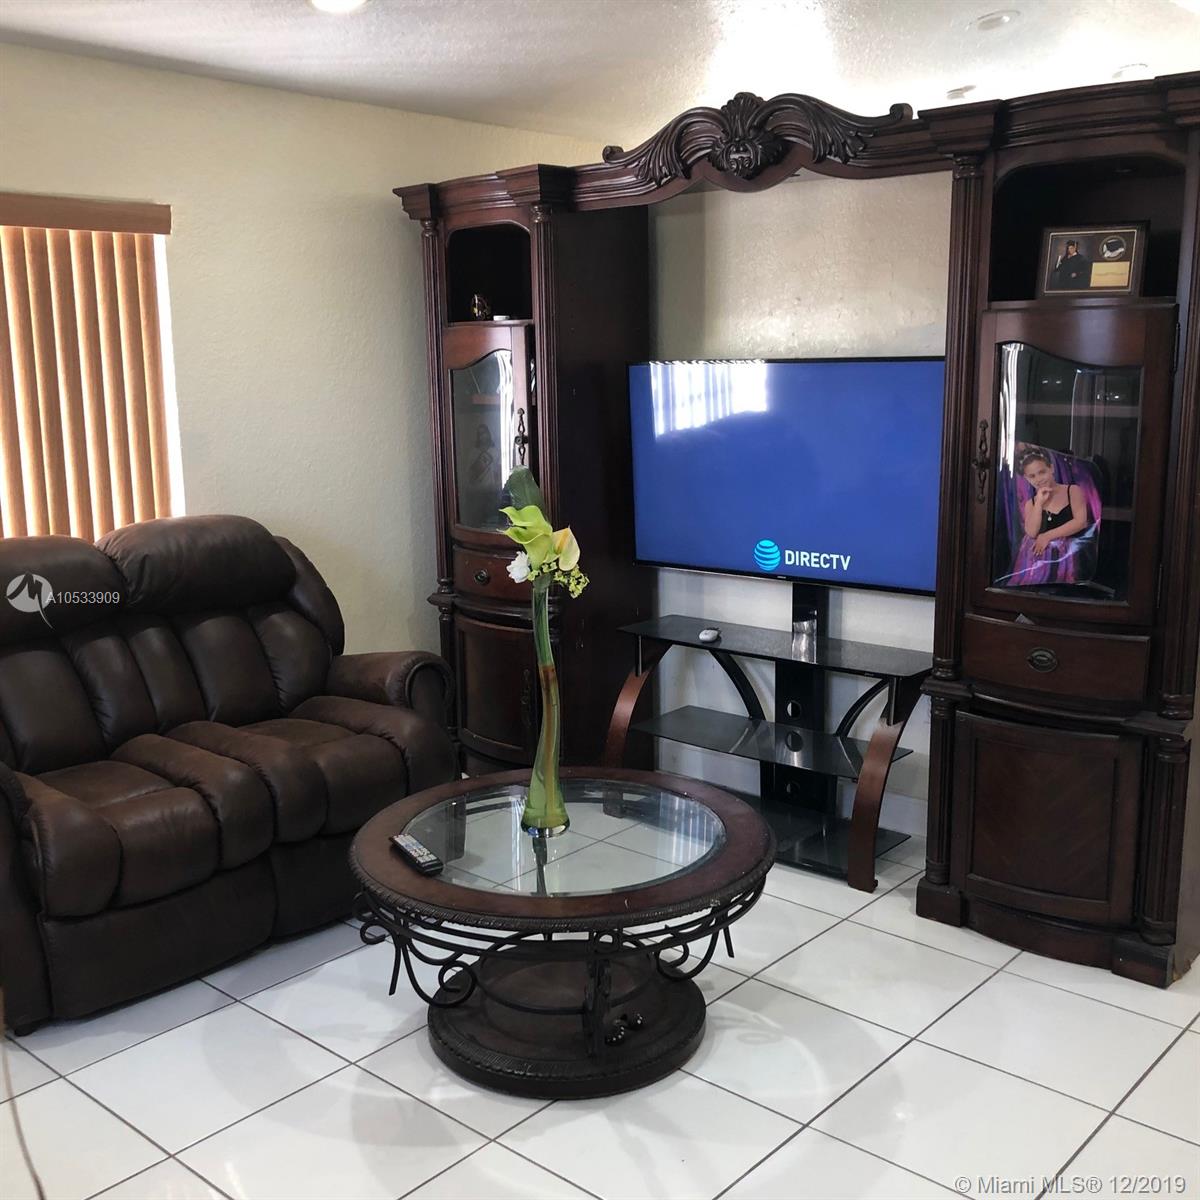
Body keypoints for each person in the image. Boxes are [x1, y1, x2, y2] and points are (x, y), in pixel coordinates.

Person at [999, 446, 1096, 587]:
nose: (1038, 479)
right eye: (1032, 476)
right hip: (1037, 563)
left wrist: (1047, 536)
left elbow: (1080, 522)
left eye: (1042, 472)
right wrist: (1039, 503)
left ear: (1051, 468)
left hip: (1067, 558)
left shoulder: (1072, 491)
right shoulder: (1031, 503)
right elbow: (1031, 532)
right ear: (1026, 478)